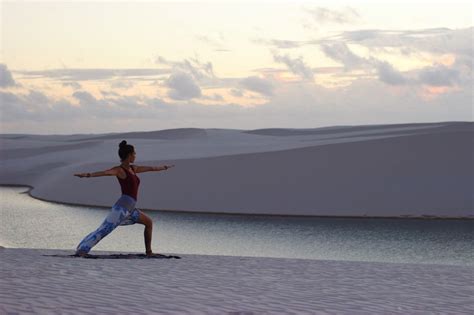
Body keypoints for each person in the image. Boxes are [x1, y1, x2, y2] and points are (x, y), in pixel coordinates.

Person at [73, 140, 175, 257]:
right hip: (121, 209)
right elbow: (106, 172)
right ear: (129, 155)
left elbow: (151, 168)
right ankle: (82, 250)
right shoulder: (120, 170)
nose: (135, 156)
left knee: (149, 223)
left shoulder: (133, 169)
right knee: (104, 230)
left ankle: (149, 252)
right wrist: (88, 175)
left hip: (130, 209)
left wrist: (164, 167)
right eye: (134, 154)